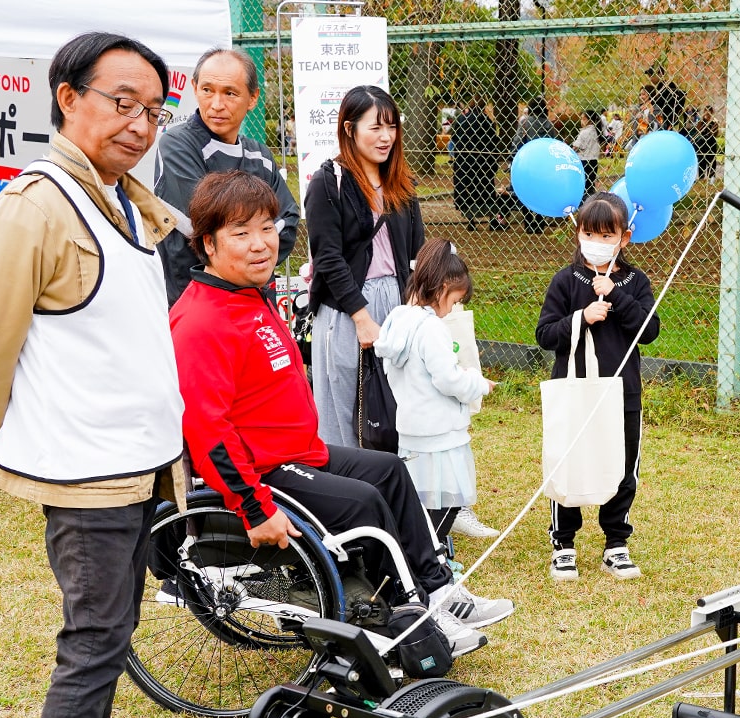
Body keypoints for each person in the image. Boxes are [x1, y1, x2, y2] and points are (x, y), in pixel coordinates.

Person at [0, 31, 185, 718]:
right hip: (84, 468)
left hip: (135, 461)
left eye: (154, 108)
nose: (139, 122)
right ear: (68, 97)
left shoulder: (123, 199)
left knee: (115, 629)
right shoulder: (37, 205)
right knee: (92, 641)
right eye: (120, 101)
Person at [170, 172, 512, 655]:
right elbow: (206, 429)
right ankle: (407, 615)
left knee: (390, 470)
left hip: (297, 452)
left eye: (266, 228)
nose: (260, 244)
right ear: (208, 243)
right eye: (240, 233)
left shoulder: (251, 297)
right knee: (362, 501)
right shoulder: (202, 320)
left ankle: (438, 590)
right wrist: (253, 507)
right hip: (262, 470)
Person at [535, 192, 659, 582]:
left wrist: (616, 296)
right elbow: (545, 334)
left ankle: (616, 544)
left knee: (623, 466)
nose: (598, 241)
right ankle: (564, 544)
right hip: (574, 389)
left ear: (625, 237)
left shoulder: (635, 281)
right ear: (578, 233)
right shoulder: (565, 280)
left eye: (608, 235)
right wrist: (583, 316)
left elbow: (649, 330)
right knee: (568, 459)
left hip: (621, 392)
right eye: (590, 233)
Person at [305, 85, 424, 449]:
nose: (386, 137)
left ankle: (395, 492)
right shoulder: (329, 182)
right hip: (347, 308)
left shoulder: (401, 183)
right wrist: (360, 316)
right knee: (345, 412)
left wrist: (421, 305)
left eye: (392, 127)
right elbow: (328, 257)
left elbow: (416, 250)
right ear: (349, 128)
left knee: (394, 408)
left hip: (398, 302)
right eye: (375, 127)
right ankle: (350, 496)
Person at [153, 47, 299, 306]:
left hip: (258, 302)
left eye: (230, 93)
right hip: (196, 303)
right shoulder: (176, 145)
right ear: (195, 87)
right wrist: (260, 240)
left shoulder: (260, 154)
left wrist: (240, 238)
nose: (217, 104)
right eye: (207, 90)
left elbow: (289, 221)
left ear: (252, 98)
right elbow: (205, 227)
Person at [374, 239, 494, 553]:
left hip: (413, 428)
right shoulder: (431, 329)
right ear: (442, 289)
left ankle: (426, 552)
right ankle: (430, 557)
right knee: (448, 501)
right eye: (454, 300)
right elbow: (448, 378)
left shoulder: (398, 319)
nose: (453, 309)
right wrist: (477, 382)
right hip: (441, 432)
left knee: (422, 501)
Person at [450, 99, 506, 231]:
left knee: (468, 191)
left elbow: (454, 138)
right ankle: (493, 219)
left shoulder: (461, 121)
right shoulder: (487, 122)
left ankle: (471, 220)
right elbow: (494, 141)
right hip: (484, 163)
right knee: (486, 190)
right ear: (483, 108)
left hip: (465, 163)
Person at [644, 66, 686, 132]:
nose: (650, 78)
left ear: (660, 74)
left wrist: (651, 103)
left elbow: (662, 104)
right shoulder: (661, 86)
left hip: (668, 121)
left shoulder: (666, 86)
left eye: (651, 75)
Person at [573, 110, 603, 198]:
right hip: (593, 161)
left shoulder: (584, 132)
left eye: (583, 119)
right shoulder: (597, 131)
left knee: (582, 185)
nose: (581, 121)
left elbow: (576, 147)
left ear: (589, 120)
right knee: (590, 185)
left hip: (583, 161)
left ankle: (583, 203)